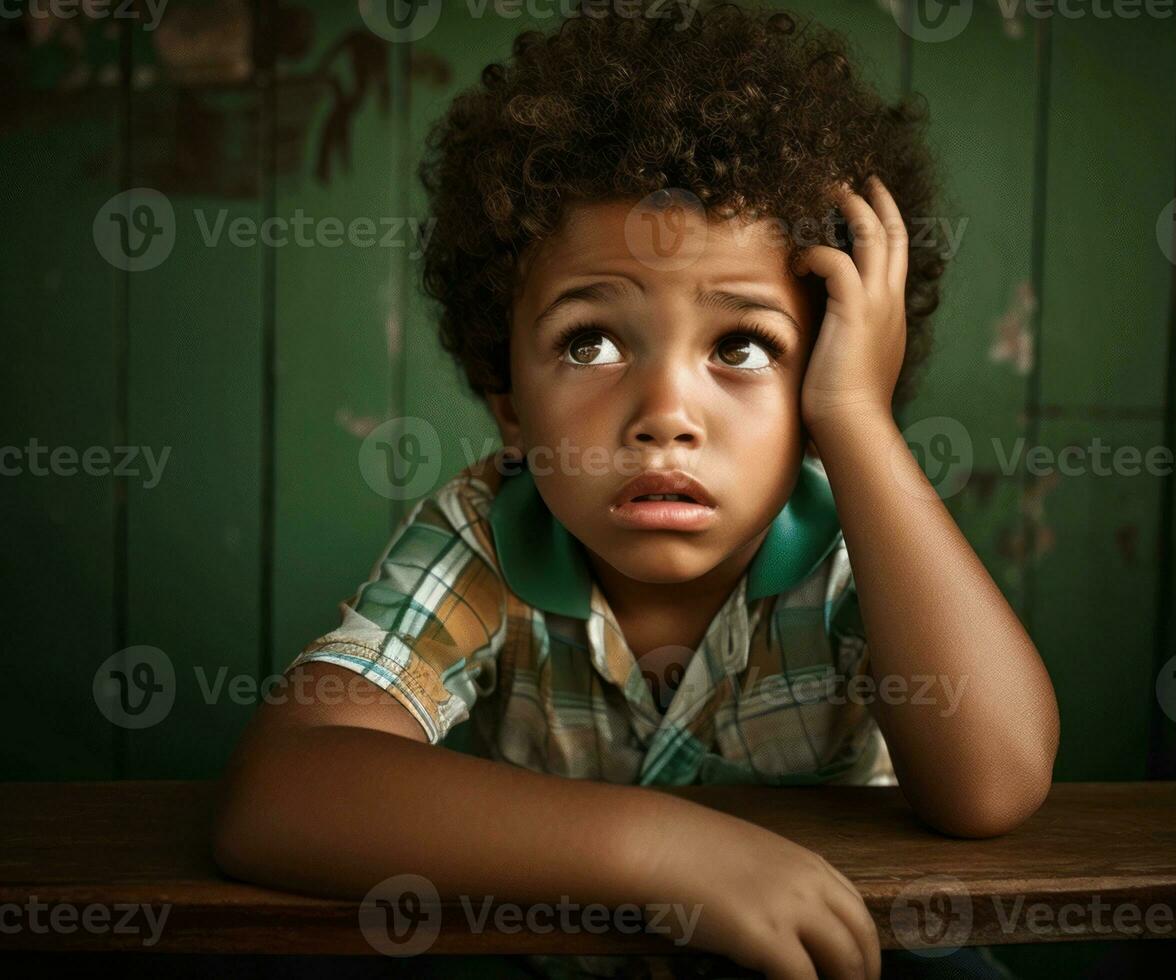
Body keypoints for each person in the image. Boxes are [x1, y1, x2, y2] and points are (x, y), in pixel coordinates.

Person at [211, 3, 1059, 977]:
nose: (664, 410)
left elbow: (990, 784)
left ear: (821, 384)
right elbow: (281, 786)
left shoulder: (850, 540)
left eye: (741, 346)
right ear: (511, 405)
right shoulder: (488, 533)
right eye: (591, 342)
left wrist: (858, 422)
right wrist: (656, 848)